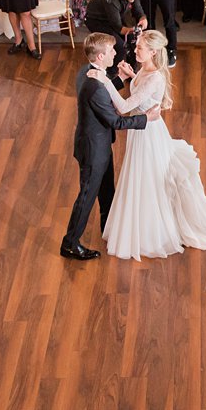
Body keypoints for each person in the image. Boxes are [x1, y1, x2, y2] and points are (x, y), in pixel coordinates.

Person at [90, 30, 206, 260]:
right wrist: (130, 77)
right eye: (136, 47)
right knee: (140, 178)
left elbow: (125, 107)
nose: (135, 50)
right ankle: (140, 223)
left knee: (149, 179)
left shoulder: (155, 77)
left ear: (153, 52)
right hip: (140, 131)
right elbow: (137, 99)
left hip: (148, 134)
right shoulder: (143, 70)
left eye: (140, 48)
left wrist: (106, 80)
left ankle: (152, 231)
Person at [60, 33, 155, 261]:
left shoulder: (87, 72)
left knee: (106, 191)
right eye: (112, 51)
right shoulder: (95, 86)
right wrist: (145, 119)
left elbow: (102, 94)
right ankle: (70, 243)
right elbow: (116, 121)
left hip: (97, 145)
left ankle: (108, 228)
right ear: (101, 56)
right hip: (94, 151)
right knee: (87, 196)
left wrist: (119, 79)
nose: (116, 53)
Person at [84, 0, 147, 80]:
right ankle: (111, 73)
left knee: (133, 41)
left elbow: (138, 9)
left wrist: (142, 18)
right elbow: (119, 28)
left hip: (114, 17)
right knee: (120, 47)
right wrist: (132, 29)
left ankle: (132, 71)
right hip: (96, 20)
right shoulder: (111, 0)